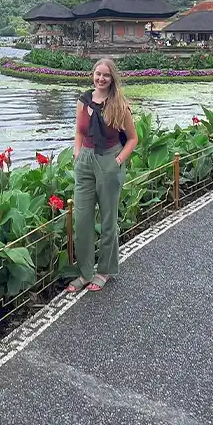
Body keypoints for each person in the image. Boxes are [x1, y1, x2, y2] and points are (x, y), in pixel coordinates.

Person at [67, 58, 138, 293]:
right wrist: (77, 153)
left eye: (106, 75)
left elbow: (133, 138)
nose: (101, 79)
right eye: (98, 74)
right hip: (85, 160)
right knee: (82, 219)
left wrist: (118, 160)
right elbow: (79, 130)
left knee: (108, 219)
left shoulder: (118, 104)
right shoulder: (83, 101)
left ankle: (104, 270)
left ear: (112, 78)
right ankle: (86, 272)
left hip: (109, 158)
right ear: (92, 75)